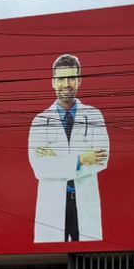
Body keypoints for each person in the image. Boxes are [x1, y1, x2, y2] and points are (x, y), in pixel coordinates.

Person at [29, 54, 110, 243]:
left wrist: (57, 160)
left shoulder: (94, 116)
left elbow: (101, 159)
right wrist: (81, 159)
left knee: (87, 255)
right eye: (61, 79)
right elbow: (40, 167)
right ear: (53, 82)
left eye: (71, 78)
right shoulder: (40, 121)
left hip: (84, 199)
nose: (66, 84)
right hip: (52, 202)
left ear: (79, 81)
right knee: (52, 254)